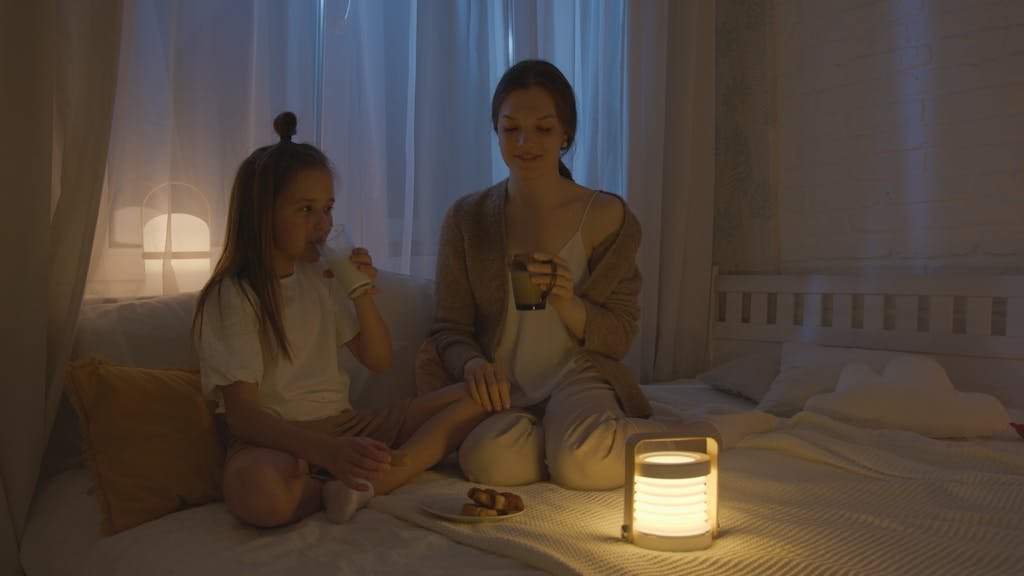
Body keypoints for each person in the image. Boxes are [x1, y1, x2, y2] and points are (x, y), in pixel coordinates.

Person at [193, 111, 487, 528]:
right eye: (306, 209)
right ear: (263, 214)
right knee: (258, 492)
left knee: (481, 396)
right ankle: (358, 479)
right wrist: (322, 451)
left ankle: (362, 483)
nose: (324, 224)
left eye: (328, 209)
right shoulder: (235, 295)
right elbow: (242, 416)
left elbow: (379, 359)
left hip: (345, 424)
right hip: (276, 438)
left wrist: (360, 291)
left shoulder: (321, 277)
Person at [418, 59, 669, 490]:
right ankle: (560, 444)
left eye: (543, 129)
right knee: (488, 464)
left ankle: (676, 438)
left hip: (578, 375)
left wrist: (567, 301)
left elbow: (620, 334)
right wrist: (474, 362)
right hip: (505, 390)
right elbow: (449, 329)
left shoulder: (606, 215)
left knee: (584, 463)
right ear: (495, 130)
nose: (524, 142)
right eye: (510, 128)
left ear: (566, 133)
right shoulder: (467, 218)